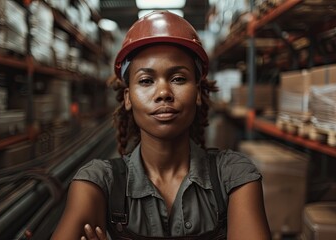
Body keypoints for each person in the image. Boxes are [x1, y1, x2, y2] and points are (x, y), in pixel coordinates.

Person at [51, 11, 271, 240]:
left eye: (178, 79)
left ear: (197, 92)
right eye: (146, 81)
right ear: (128, 98)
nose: (164, 93)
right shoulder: (97, 183)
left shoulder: (233, 176)